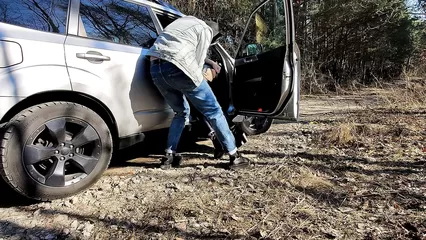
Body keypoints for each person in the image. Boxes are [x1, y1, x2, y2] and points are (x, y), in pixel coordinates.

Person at [146, 16, 250, 170]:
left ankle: (169, 156)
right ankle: (234, 156)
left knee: (181, 112)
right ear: (213, 33)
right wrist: (205, 77)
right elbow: (198, 60)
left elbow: (178, 49)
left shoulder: (184, 22)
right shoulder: (206, 30)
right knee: (214, 111)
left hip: (155, 68)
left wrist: (211, 63)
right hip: (179, 67)